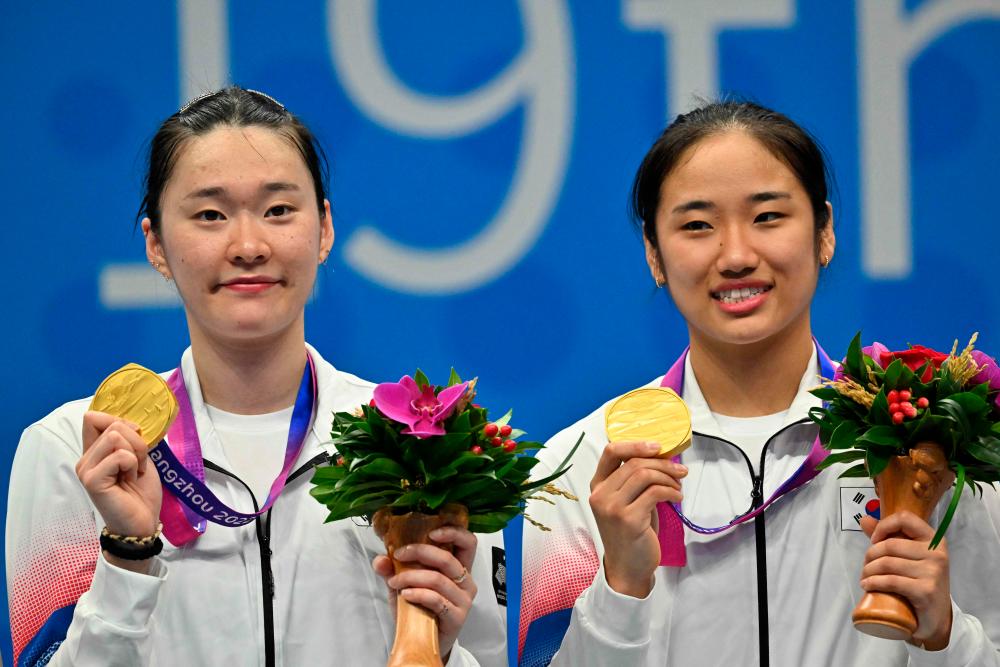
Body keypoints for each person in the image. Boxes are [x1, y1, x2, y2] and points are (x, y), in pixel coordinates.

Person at [6, 87, 506, 667]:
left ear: (323, 229)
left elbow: (489, 657)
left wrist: (438, 648)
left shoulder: (426, 449)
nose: (248, 245)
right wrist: (127, 556)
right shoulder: (77, 449)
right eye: (210, 215)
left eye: (278, 211)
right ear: (156, 244)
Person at [518, 101, 1000, 666]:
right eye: (697, 225)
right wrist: (621, 587)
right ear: (654, 253)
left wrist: (942, 634)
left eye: (768, 217)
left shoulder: (932, 446)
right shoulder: (583, 468)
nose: (737, 255)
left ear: (824, 232)